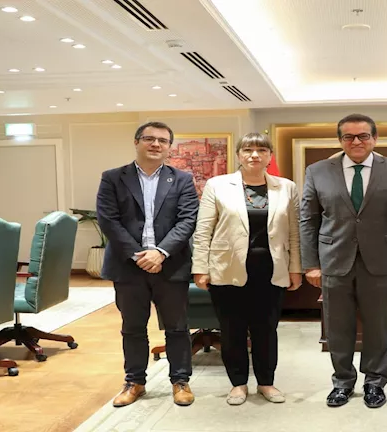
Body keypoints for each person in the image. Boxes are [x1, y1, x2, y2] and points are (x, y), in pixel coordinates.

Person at [300, 113, 387, 408]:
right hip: (333, 259)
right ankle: (342, 382)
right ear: (340, 140)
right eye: (349, 136)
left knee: (377, 326)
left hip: (380, 260)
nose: (356, 141)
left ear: (375, 138)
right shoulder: (317, 171)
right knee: (337, 327)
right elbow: (308, 219)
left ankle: (375, 382)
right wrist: (310, 263)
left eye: (363, 135)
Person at [192, 133, 302, 405]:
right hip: (227, 268)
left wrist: (295, 268)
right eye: (248, 150)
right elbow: (204, 230)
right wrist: (200, 267)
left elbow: (294, 233)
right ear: (239, 155)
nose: (255, 155)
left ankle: (266, 382)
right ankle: (238, 384)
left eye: (261, 150)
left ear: (269, 156)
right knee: (232, 330)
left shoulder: (286, 187)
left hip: (271, 269)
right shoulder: (218, 185)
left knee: (266, 330)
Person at [96, 121, 198, 407]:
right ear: (136, 142)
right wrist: (138, 255)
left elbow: (188, 219)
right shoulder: (113, 178)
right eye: (149, 139)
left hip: (171, 265)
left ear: (169, 147)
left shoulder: (182, 179)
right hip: (128, 266)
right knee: (132, 327)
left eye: (162, 141)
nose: (156, 144)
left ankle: (180, 381)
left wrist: (161, 252)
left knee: (177, 327)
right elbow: (108, 220)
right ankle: (135, 382)